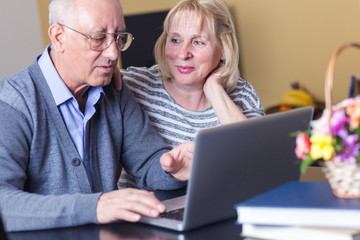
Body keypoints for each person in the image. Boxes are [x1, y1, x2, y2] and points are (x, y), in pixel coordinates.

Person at [0, 0, 194, 232]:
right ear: (59, 37)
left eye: (119, 37)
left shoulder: (114, 91)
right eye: (98, 38)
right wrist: (95, 206)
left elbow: (148, 163)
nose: (113, 53)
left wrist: (171, 169)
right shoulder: (12, 103)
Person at [118, 0, 264, 188]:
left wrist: (214, 90)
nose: (183, 53)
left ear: (223, 49)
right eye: (175, 40)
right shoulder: (133, 85)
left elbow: (258, 165)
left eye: (198, 42)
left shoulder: (243, 95)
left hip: (215, 208)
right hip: (145, 213)